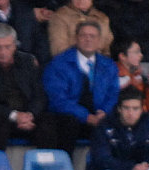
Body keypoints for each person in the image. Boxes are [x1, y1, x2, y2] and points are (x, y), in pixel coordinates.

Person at [0, 23, 58, 152]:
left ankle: (48, 168)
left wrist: (30, 115)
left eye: (7, 47)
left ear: (15, 46)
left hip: (26, 115)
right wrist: (14, 116)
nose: (3, 52)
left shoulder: (27, 62)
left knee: (51, 124)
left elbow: (39, 95)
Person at [43, 20, 119, 155]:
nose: (88, 39)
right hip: (70, 119)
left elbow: (113, 94)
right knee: (66, 123)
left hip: (100, 118)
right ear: (75, 38)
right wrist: (86, 116)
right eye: (83, 35)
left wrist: (104, 112)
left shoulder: (109, 66)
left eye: (92, 36)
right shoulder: (59, 64)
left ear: (99, 41)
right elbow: (57, 99)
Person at [86, 86, 149, 170]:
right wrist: (130, 169)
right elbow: (101, 160)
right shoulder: (104, 126)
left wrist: (146, 167)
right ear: (119, 108)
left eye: (135, 109)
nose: (131, 113)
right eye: (126, 108)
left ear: (142, 109)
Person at [111, 38, 149, 114]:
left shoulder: (144, 70)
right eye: (136, 52)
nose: (141, 55)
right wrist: (130, 83)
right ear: (122, 56)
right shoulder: (111, 73)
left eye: (140, 52)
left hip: (141, 115)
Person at [48, 0, 113, 58]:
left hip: (100, 64)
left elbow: (107, 47)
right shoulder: (60, 16)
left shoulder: (102, 18)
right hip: (70, 65)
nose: (81, 0)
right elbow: (59, 49)